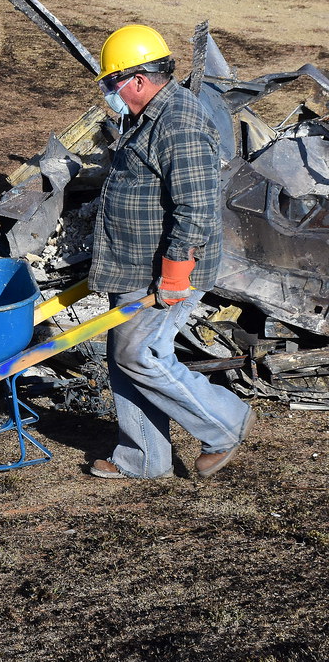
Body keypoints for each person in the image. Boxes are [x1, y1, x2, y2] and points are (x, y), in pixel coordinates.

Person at [87, 24, 254, 480]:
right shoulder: (148, 116)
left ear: (139, 80)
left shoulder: (178, 123)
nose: (109, 94)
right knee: (124, 355)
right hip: (134, 264)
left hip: (165, 269)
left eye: (112, 83)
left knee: (141, 354)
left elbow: (196, 207)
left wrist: (177, 272)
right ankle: (143, 458)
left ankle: (226, 422)